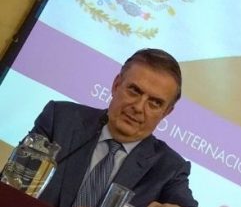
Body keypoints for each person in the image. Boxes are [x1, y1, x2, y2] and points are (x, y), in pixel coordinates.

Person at [27, 48, 197, 207]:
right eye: (134, 91)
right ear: (116, 85)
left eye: (155, 103)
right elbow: (14, 179)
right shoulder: (61, 119)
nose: (138, 107)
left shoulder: (169, 168)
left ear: (166, 112)